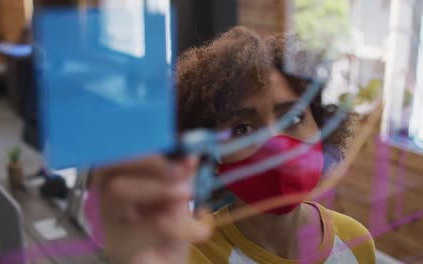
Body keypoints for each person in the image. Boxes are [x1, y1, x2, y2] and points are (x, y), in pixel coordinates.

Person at [90, 27, 375, 263]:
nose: (275, 145)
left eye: (293, 117)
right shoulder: (190, 255)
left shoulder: (356, 242)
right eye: (243, 128)